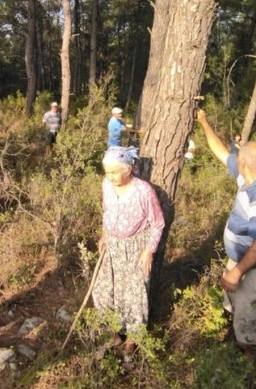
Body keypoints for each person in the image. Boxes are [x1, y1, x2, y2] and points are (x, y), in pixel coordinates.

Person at [195, 108, 256, 359]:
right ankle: (236, 341)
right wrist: (203, 122)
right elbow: (221, 152)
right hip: (242, 263)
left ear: (245, 163)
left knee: (252, 319)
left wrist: (237, 271)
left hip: (254, 270)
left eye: (238, 158)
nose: (235, 160)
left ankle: (248, 364)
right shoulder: (249, 178)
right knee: (238, 310)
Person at [93, 146, 165, 367]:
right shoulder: (107, 185)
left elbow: (158, 223)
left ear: (129, 169)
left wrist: (149, 251)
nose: (111, 176)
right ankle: (113, 337)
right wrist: (105, 235)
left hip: (136, 248)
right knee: (103, 291)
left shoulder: (143, 191)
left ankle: (131, 343)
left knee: (135, 296)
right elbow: (107, 211)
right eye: (108, 171)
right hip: (113, 246)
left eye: (115, 172)